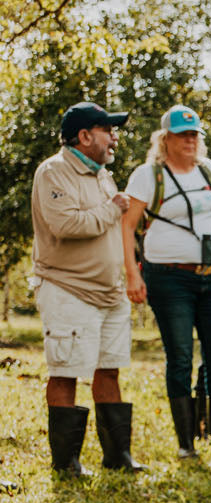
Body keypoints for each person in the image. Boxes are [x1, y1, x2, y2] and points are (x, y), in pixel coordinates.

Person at [121, 105, 211, 459]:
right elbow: (127, 226)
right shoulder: (149, 175)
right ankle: (186, 443)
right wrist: (133, 273)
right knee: (180, 357)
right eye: (182, 134)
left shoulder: (206, 170)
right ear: (165, 139)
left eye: (194, 134)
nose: (190, 140)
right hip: (169, 277)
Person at [30, 101, 145, 478]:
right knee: (66, 372)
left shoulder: (102, 175)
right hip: (68, 288)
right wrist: (115, 209)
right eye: (107, 130)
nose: (114, 138)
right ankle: (67, 464)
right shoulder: (54, 172)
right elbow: (66, 225)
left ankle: (117, 456)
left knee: (109, 371)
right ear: (84, 136)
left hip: (109, 293)